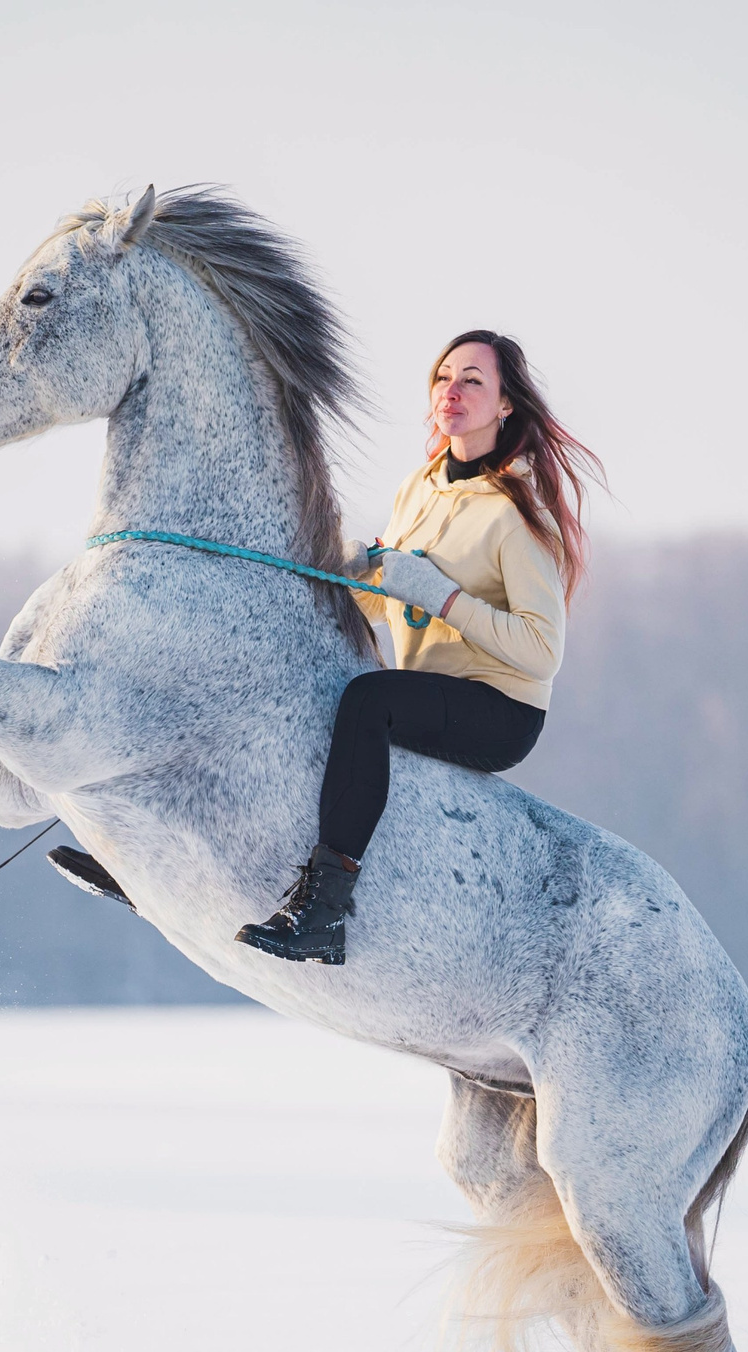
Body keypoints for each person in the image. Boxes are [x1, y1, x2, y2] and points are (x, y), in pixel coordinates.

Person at [237, 330, 602, 965]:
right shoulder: (421, 487)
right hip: (426, 689)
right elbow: (389, 604)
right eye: (443, 377)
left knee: (367, 699)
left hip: (500, 710)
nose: (451, 391)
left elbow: (542, 652)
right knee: (308, 679)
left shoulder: (519, 515)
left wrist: (440, 595)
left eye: (472, 381)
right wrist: (352, 577)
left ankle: (324, 912)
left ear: (505, 403)